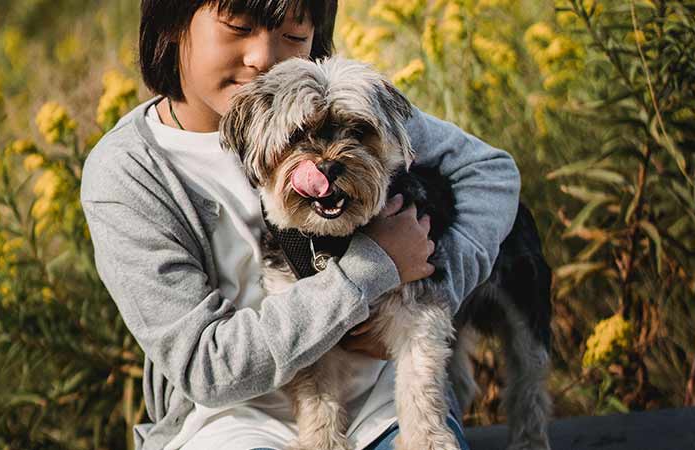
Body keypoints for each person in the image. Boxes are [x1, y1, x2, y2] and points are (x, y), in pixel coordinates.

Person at [80, 1, 521, 449]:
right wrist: (375, 266)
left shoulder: (338, 105)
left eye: (293, 37)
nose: (264, 59)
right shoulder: (127, 175)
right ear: (172, 25)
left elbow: (491, 172)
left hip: (394, 404)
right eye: (238, 29)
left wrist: (439, 283)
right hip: (225, 425)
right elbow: (207, 367)